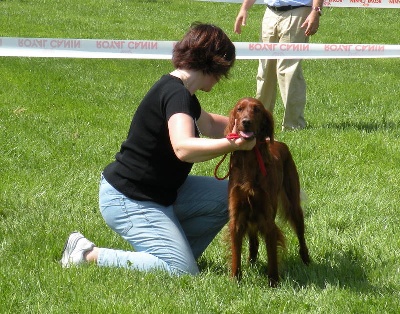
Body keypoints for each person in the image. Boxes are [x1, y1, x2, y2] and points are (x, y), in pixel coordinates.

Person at [60, 23, 256, 276]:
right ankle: (86, 254)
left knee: (232, 196)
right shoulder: (176, 94)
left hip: (163, 192)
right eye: (223, 70)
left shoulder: (183, 92)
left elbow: (208, 124)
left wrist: (252, 130)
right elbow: (183, 148)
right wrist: (233, 144)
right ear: (213, 63)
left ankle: (175, 255)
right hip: (130, 198)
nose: (222, 78)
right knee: (181, 271)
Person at [234, 0, 323, 130]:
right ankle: (260, 123)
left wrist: (316, 11)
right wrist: (244, 8)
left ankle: (293, 125)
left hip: (298, 11)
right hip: (270, 12)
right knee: (264, 71)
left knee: (288, 72)